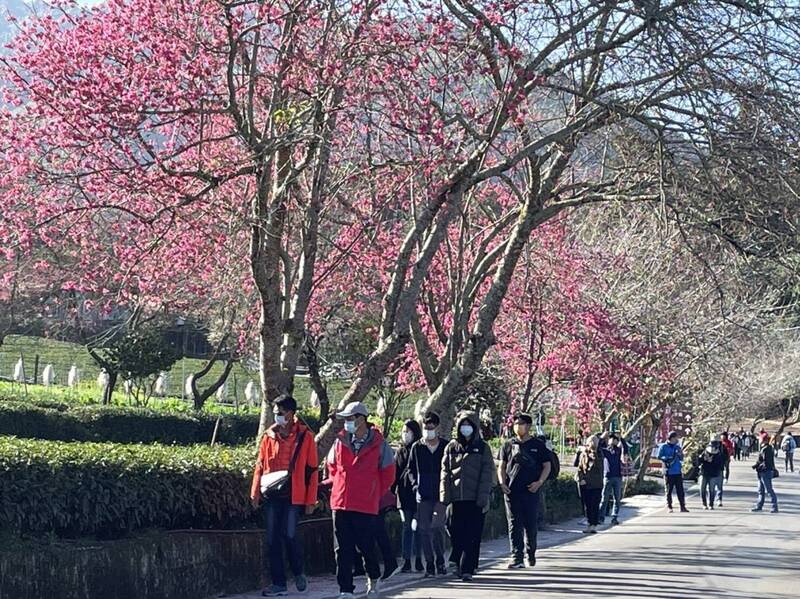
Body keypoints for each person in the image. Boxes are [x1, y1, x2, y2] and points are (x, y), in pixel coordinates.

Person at [250, 395, 319, 597]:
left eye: (281, 412)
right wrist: (255, 493)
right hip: (272, 493)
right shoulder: (268, 436)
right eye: (275, 413)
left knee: (289, 535)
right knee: (272, 539)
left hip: (294, 495)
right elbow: (260, 465)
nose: (277, 416)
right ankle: (278, 583)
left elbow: (312, 470)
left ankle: (298, 571)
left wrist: (310, 500)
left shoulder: (306, 437)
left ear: (291, 413)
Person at [327, 401, 396, 598]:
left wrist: (373, 491)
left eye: (350, 418)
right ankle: (345, 589)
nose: (347, 423)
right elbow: (331, 467)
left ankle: (373, 578)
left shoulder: (380, 445)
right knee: (342, 549)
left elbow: (388, 474)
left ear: (361, 419)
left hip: (365, 504)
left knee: (366, 545)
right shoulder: (339, 442)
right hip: (341, 501)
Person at [441, 411, 495, 582]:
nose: (465, 428)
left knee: (472, 535)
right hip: (456, 500)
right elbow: (445, 473)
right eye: (462, 425)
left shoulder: (483, 448)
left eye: (468, 425)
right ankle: (457, 560)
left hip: (475, 500)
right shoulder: (451, 447)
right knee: (455, 532)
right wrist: (444, 496)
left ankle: (467, 568)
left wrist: (482, 497)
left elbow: (487, 474)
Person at [498, 413, 552, 569]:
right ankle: (517, 557)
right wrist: (502, 483)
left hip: (530, 490)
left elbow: (547, 466)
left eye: (520, 423)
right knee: (514, 524)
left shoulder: (538, 445)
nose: (517, 426)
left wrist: (539, 482)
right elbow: (501, 465)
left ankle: (531, 552)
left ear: (528, 426)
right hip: (512, 490)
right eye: (515, 423)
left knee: (530, 524)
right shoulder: (507, 444)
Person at [408, 412, 448, 577]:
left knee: (437, 527)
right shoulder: (417, 447)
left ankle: (440, 560)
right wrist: (415, 486)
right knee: (424, 530)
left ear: (437, 428)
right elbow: (410, 470)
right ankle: (429, 564)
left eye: (431, 428)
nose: (428, 431)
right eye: (426, 427)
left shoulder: (446, 446)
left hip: (440, 494)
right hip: (423, 494)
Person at [392, 419, 424, 573]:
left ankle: (418, 559)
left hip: (418, 494)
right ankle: (406, 560)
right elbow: (394, 473)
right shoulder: (400, 451)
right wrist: (392, 491)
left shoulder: (420, 449)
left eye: (408, 431)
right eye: (403, 431)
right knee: (407, 527)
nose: (405, 434)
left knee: (416, 527)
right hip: (403, 495)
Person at [575, 435, 604, 533]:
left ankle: (593, 524)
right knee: (586, 505)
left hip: (596, 484)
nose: (590, 445)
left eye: (592, 442)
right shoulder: (583, 454)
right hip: (585, 484)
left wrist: (593, 452)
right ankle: (588, 522)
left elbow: (598, 466)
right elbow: (580, 468)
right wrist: (581, 478)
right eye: (589, 443)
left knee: (594, 504)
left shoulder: (599, 453)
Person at [658, 430, 689, 513]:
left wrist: (680, 454)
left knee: (680, 490)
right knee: (668, 490)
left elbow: (681, 458)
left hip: (677, 471)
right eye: (675, 438)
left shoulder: (677, 447)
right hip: (668, 471)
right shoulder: (664, 447)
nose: (677, 439)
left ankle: (682, 506)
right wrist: (667, 458)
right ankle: (669, 506)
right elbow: (659, 456)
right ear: (671, 438)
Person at [598, 433, 624, 526]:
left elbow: (625, 449)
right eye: (611, 439)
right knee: (604, 498)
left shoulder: (618, 451)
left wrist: (622, 438)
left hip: (617, 477)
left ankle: (614, 517)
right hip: (607, 476)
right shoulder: (605, 451)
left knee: (617, 498)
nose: (613, 440)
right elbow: (598, 447)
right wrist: (602, 437)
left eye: (615, 439)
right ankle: (601, 518)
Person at [751, 434, 779, 513]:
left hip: (765, 472)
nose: (759, 441)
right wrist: (756, 465)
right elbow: (761, 460)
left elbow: (766, 462)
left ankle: (774, 506)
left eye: (761, 439)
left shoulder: (767, 449)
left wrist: (758, 466)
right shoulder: (765, 448)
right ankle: (759, 505)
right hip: (762, 472)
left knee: (769, 490)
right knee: (760, 490)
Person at [699, 437, 725, 510]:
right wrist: (703, 459)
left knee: (711, 489)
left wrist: (712, 461)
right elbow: (698, 461)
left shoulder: (719, 454)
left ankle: (711, 504)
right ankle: (704, 503)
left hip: (713, 473)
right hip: (704, 472)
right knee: (702, 488)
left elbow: (720, 464)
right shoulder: (704, 451)